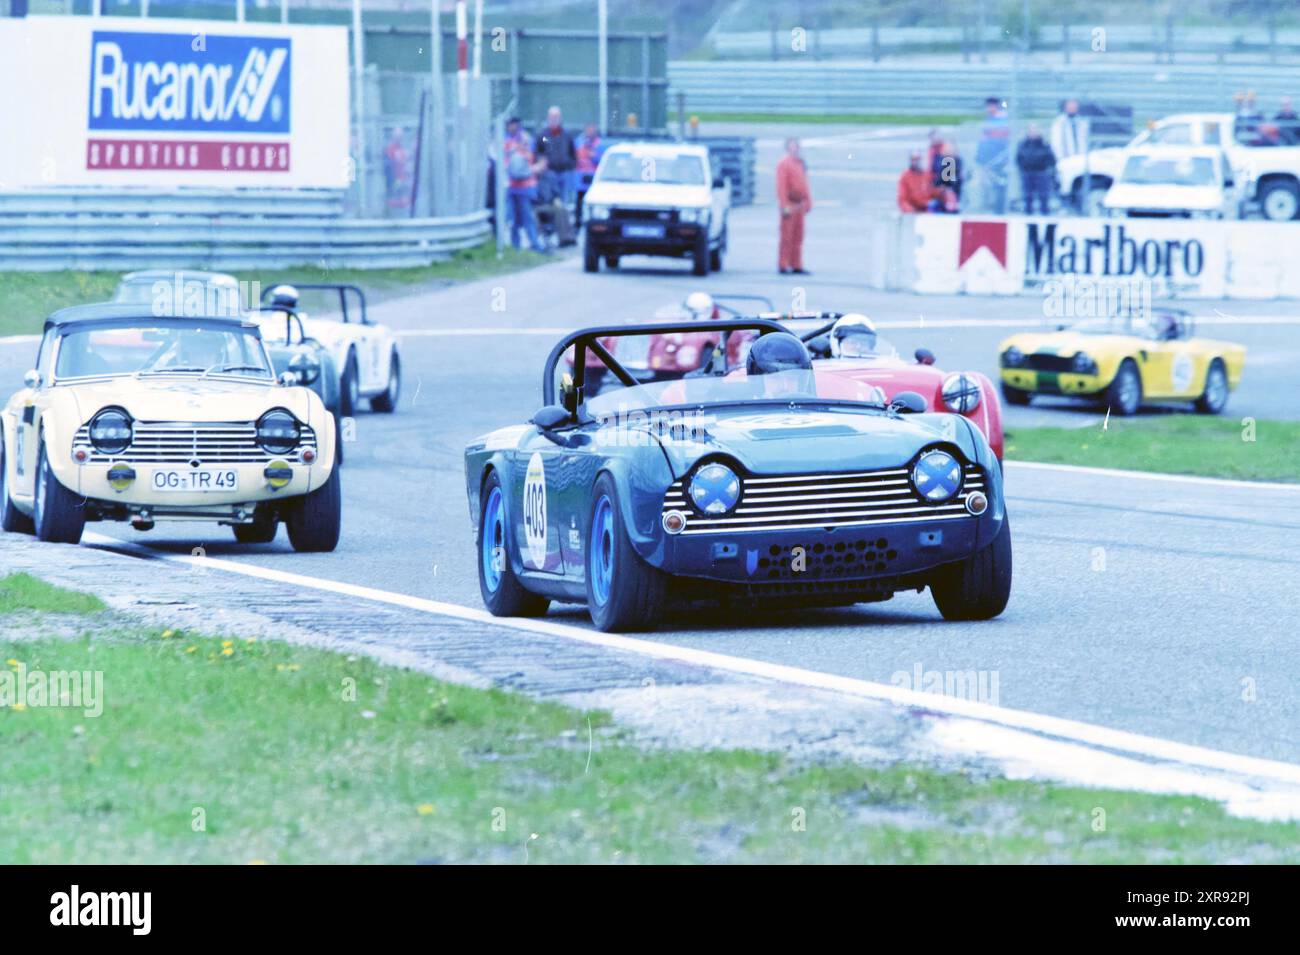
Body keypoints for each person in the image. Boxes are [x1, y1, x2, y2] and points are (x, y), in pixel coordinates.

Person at [503, 117, 546, 253]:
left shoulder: (527, 139)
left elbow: (537, 156)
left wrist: (535, 167)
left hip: (526, 186)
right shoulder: (504, 141)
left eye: (513, 125)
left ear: (518, 125)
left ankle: (535, 245)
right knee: (513, 220)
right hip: (511, 186)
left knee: (528, 217)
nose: (511, 127)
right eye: (509, 125)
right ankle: (515, 248)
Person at [775, 137, 813, 275]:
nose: (795, 149)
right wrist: (784, 204)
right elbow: (781, 186)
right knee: (786, 236)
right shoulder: (783, 164)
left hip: (800, 205)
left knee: (798, 236)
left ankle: (796, 264)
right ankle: (783, 264)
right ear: (787, 148)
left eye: (796, 146)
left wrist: (808, 201)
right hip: (790, 204)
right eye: (792, 146)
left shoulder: (800, 163)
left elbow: (804, 184)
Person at [534, 106, 577, 208]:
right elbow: (538, 151)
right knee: (549, 200)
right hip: (549, 173)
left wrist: (570, 165)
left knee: (564, 201)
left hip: (565, 173)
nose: (554, 119)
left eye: (556, 116)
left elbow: (572, 152)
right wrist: (541, 164)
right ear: (548, 118)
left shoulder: (567, 135)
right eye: (552, 116)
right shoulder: (543, 135)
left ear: (560, 118)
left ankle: (563, 216)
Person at [975, 96, 1010, 214]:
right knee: (985, 186)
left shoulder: (1003, 120)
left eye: (991, 106)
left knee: (999, 185)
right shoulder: (988, 120)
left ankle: (999, 210)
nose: (988, 108)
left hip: (998, 160)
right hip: (986, 160)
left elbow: (1003, 140)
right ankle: (987, 209)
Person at [1016, 123, 1056, 216]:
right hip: (1027, 173)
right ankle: (1028, 214)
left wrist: (1045, 166)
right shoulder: (1023, 144)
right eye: (1031, 130)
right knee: (1028, 195)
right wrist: (1024, 168)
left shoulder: (1044, 144)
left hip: (1041, 172)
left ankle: (1045, 214)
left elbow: (1051, 158)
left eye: (1035, 130)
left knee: (1043, 195)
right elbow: (1018, 158)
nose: (1033, 132)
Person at [574, 122, 604, 227]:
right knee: (579, 202)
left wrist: (594, 156)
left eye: (592, 129)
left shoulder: (600, 144)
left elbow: (602, 162)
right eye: (588, 129)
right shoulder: (579, 143)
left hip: (594, 181)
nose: (590, 132)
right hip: (581, 180)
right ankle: (578, 223)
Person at [1050, 98, 1089, 163]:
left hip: (1081, 159)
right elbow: (1056, 142)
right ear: (1065, 106)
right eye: (1070, 104)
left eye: (1074, 104)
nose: (1072, 107)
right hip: (1065, 159)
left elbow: (1085, 141)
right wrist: (1060, 158)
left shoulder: (1082, 122)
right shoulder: (1058, 122)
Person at [932, 140, 964, 213]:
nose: (949, 149)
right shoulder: (941, 160)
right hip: (943, 194)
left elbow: (956, 180)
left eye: (950, 147)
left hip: (954, 194)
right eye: (947, 147)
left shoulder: (957, 161)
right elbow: (940, 180)